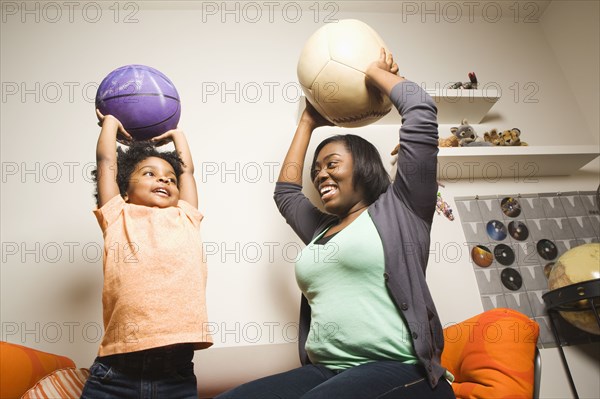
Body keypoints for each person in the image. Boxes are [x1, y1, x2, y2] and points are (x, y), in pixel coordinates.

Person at [215, 49, 455, 399]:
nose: (321, 174)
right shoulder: (321, 230)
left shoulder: (403, 208)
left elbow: (420, 111)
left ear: (363, 165)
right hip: (327, 371)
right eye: (316, 169)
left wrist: (374, 73)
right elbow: (286, 193)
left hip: (402, 369)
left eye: (331, 164)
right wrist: (307, 123)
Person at [80, 111, 212, 398]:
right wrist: (111, 125)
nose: (164, 181)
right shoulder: (118, 215)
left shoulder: (186, 216)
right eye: (149, 174)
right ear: (125, 189)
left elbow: (187, 171)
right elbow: (105, 162)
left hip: (175, 373)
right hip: (116, 372)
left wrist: (178, 135)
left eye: (170, 179)